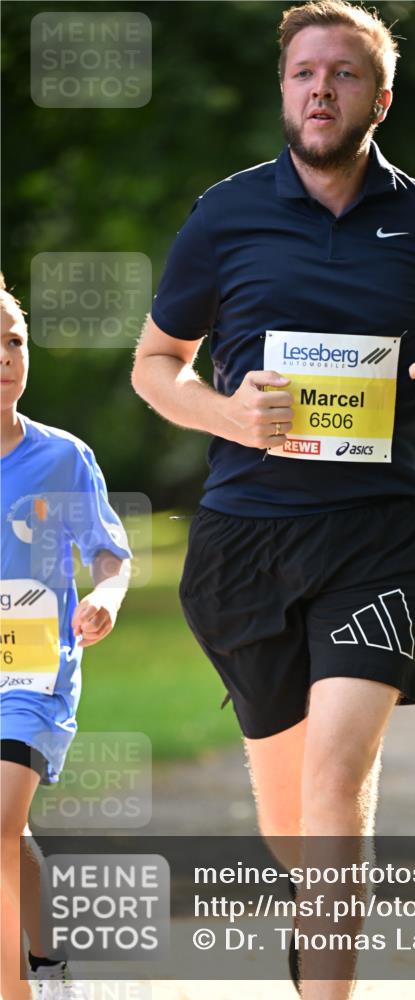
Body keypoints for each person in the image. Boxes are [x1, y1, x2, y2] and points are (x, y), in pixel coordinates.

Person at [131, 2, 415, 995]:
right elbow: (155, 365)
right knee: (294, 820)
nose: (320, 88)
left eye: (342, 73)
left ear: (379, 97)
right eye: (303, 73)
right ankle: (316, 937)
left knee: (337, 777)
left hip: (379, 535)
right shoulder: (226, 214)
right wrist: (224, 414)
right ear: (283, 91)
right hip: (246, 543)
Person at [0, 274, 132, 1000]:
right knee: (7, 836)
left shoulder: (63, 458)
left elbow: (108, 554)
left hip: (33, 673)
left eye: (14, 341)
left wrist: (107, 594)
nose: (4, 356)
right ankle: (53, 969)